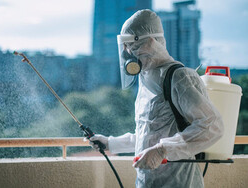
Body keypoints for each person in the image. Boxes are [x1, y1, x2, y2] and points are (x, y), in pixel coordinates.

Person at [89, 9, 224, 188]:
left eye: (131, 45)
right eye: (125, 46)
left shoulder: (179, 77)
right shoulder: (146, 78)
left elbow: (212, 126)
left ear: (150, 43)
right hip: (147, 182)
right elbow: (149, 134)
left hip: (178, 183)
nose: (127, 52)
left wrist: (163, 150)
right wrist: (111, 143)